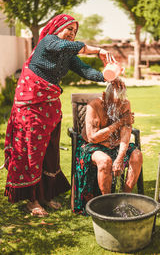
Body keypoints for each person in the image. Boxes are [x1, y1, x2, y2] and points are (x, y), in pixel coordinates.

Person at [3, 14, 119, 217]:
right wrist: (98, 50)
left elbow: (86, 70)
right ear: (56, 28)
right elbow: (65, 46)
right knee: (32, 152)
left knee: (50, 151)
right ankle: (32, 200)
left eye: (75, 31)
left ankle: (47, 195)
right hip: (30, 107)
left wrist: (108, 76)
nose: (72, 33)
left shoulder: (68, 55)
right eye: (68, 29)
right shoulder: (48, 42)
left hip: (50, 108)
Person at [74, 82, 143, 215]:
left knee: (137, 156)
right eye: (114, 102)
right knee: (105, 161)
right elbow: (93, 137)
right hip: (92, 146)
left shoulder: (124, 104)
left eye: (119, 103)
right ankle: (108, 203)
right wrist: (119, 122)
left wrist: (120, 158)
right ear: (105, 96)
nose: (117, 106)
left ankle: (124, 199)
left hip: (115, 144)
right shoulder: (94, 105)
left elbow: (126, 133)